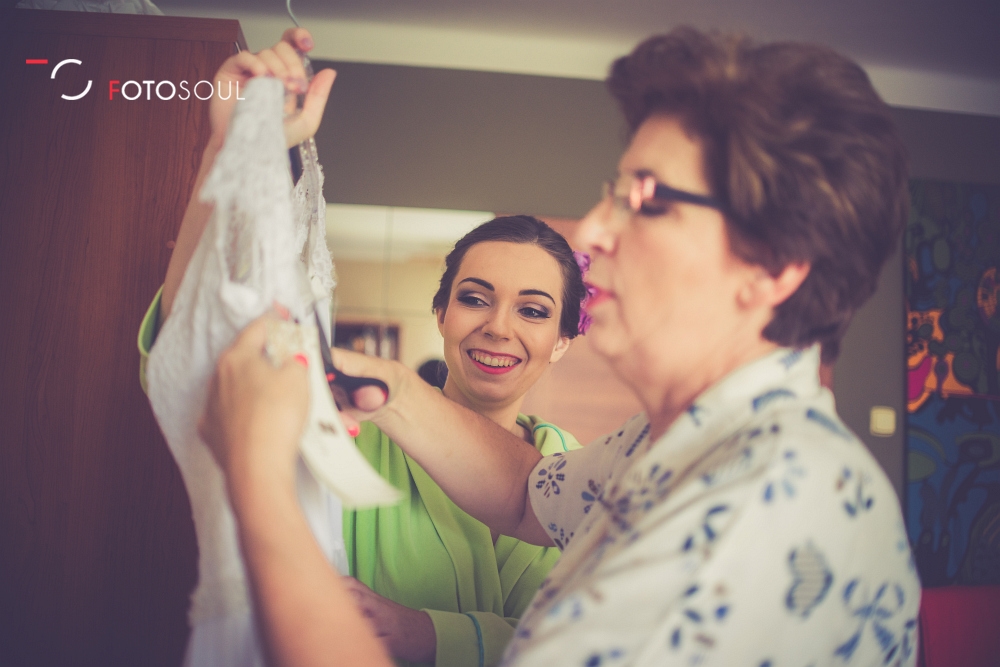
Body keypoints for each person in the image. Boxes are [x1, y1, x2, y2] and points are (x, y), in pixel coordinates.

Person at [200, 26, 921, 667]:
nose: (592, 232)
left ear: (772, 265)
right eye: (614, 192)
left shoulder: (751, 516)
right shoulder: (662, 443)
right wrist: (384, 385)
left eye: (646, 199)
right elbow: (525, 495)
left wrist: (257, 475)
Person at [341, 216, 586, 667]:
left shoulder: (586, 477)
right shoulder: (353, 439)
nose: (498, 328)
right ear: (441, 315)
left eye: (533, 311)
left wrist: (431, 635)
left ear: (561, 342)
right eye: (475, 299)